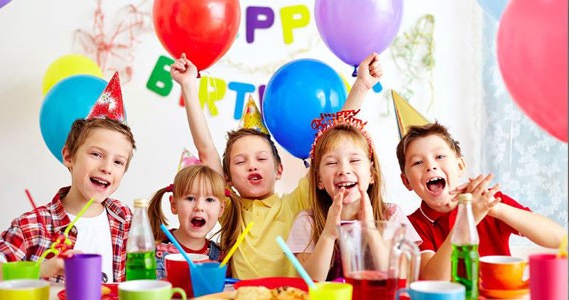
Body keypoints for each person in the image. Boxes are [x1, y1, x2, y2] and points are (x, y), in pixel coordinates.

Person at [170, 53, 383, 279]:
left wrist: (361, 86)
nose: (252, 166)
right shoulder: (230, 210)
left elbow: (330, 142)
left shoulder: (295, 205)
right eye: (241, 162)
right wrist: (188, 85)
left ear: (279, 170)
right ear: (227, 178)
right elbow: (206, 150)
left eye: (261, 159)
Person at [0, 117, 136, 289]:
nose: (107, 168)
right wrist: (41, 269)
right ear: (68, 156)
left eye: (118, 162)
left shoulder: (125, 218)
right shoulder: (33, 225)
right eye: (96, 154)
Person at [396, 122, 566, 280]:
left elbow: (559, 239)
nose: (430, 166)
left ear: (460, 166)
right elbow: (433, 280)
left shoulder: (489, 202)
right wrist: (468, 219)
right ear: (406, 182)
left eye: (440, 156)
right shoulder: (411, 226)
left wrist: (495, 208)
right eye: (418, 162)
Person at [286, 111, 421, 281]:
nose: (344, 170)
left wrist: (370, 230)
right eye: (331, 163)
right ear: (319, 179)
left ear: (372, 174)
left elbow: (399, 277)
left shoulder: (392, 215)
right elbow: (309, 282)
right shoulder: (307, 221)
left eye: (354, 160)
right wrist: (328, 234)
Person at [148, 164, 235, 279]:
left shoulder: (220, 259)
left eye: (209, 200)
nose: (199, 207)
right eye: (190, 198)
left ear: (221, 209)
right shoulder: (151, 248)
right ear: (174, 205)